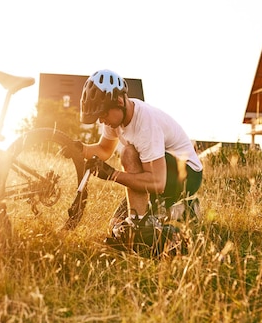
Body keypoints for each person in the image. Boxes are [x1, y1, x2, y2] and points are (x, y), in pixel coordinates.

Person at [72, 69, 203, 253]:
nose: (101, 120)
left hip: (185, 173)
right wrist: (79, 149)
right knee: (116, 224)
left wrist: (112, 174)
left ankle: (140, 226)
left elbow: (157, 183)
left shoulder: (145, 124)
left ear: (119, 101)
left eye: (103, 114)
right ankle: (185, 210)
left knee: (128, 152)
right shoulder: (114, 119)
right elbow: (104, 149)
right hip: (159, 171)